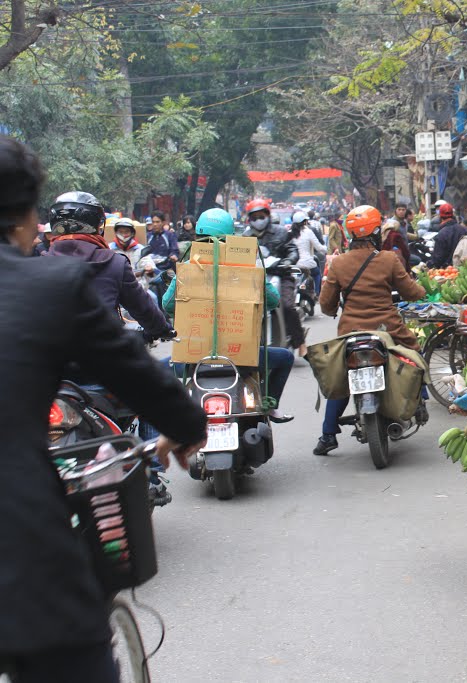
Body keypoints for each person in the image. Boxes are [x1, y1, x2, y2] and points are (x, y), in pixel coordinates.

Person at [0, 135, 207, 683]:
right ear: (25, 219)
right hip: (24, 554)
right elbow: (141, 372)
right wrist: (184, 425)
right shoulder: (52, 282)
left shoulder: (56, 267)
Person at [313, 205, 427, 455]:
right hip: (388, 328)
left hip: (350, 332)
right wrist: (421, 290)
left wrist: (333, 309)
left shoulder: (339, 263)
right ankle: (420, 403)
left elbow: (326, 303)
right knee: (415, 354)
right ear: (376, 232)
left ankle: (327, 436)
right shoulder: (388, 259)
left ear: (351, 234)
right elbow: (411, 291)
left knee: (341, 377)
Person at [162, 208, 295, 423]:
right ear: (231, 235)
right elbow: (273, 300)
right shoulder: (247, 265)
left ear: (198, 233)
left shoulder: (188, 266)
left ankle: (172, 419)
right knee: (286, 357)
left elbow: (167, 304)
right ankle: (269, 405)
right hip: (242, 359)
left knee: (156, 369)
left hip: (194, 359)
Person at [45, 192, 172, 341]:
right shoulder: (115, 263)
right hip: (102, 352)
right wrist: (162, 329)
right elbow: (142, 308)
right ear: (97, 225)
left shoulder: (39, 264)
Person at [242, 198, 305, 355]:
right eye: (254, 217)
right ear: (249, 219)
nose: (258, 220)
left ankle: (300, 343)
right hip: (255, 280)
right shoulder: (245, 236)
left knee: (287, 307)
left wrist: (288, 261)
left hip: (281, 276)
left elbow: (293, 250)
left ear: (268, 215)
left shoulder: (281, 232)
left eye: (261, 216)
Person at [291, 210, 328, 296]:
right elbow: (319, 247)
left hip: (293, 265)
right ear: (304, 222)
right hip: (308, 263)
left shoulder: (289, 233)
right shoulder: (308, 232)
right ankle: (317, 293)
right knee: (317, 273)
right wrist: (326, 249)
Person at [427, 203, 465, 269]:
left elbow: (438, 258)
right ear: (452, 214)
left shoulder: (442, 233)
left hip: (447, 271)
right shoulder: (463, 230)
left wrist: (429, 264)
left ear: (440, 216)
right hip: (463, 267)